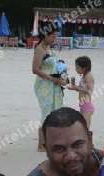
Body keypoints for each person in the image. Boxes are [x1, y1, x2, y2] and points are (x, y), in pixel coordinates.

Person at [32, 23, 66, 152]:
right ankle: (41, 144)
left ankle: (49, 140)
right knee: (46, 113)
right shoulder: (40, 49)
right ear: (45, 35)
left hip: (54, 83)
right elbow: (35, 69)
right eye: (52, 37)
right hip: (45, 85)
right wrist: (53, 79)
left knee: (54, 112)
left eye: (56, 37)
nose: (54, 40)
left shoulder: (48, 48)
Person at [67, 56, 95, 130]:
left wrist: (77, 88)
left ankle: (88, 141)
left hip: (87, 106)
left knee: (85, 128)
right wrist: (73, 84)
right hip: (82, 105)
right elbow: (80, 89)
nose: (76, 69)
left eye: (77, 68)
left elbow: (89, 91)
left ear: (84, 68)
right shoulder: (84, 76)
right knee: (81, 127)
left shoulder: (88, 76)